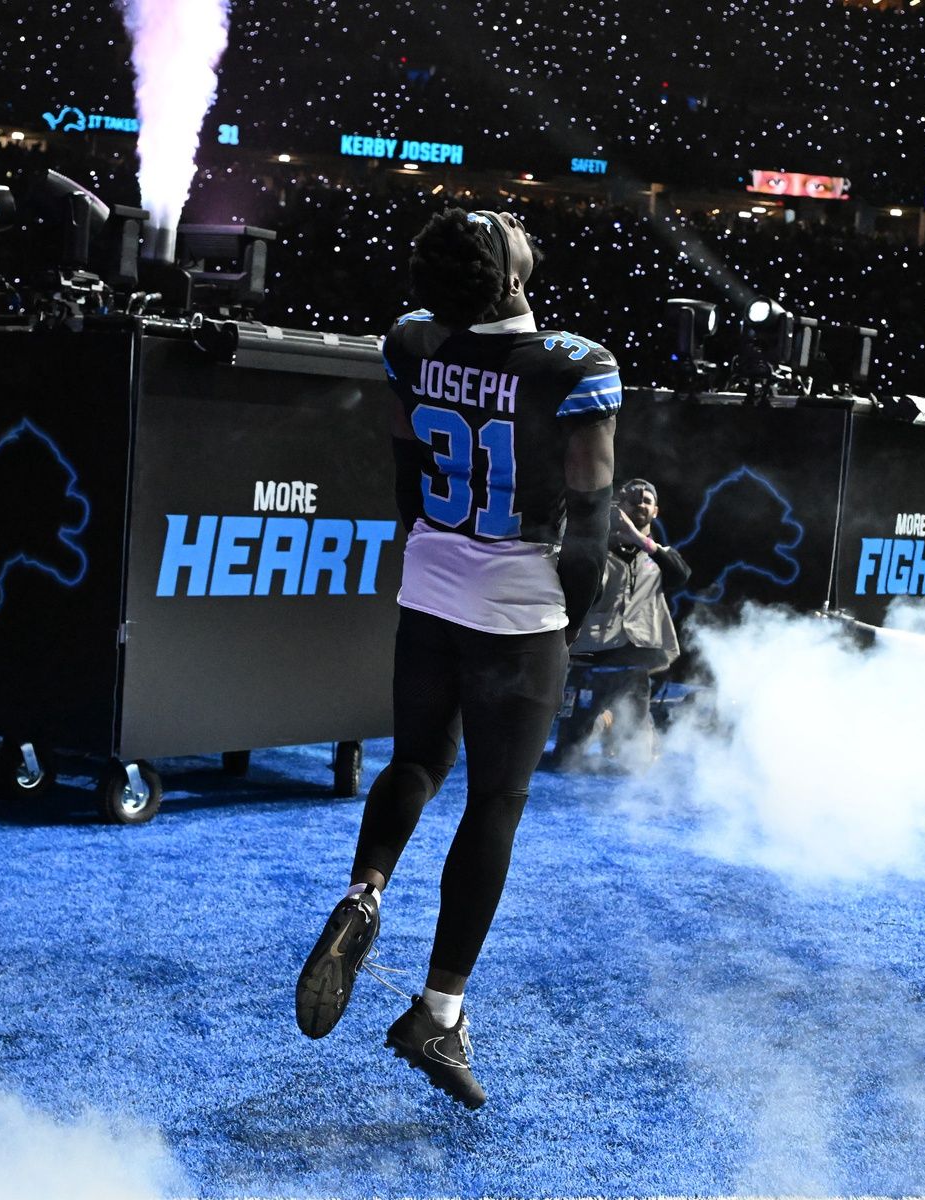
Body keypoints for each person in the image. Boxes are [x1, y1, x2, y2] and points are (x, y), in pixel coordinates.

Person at [294, 207, 619, 1109]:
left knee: (417, 760)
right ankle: (438, 1013)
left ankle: (365, 891)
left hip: (429, 580)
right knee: (496, 803)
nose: (518, 222)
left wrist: (430, 550)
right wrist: (572, 619)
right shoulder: (580, 365)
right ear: (512, 275)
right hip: (519, 606)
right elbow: (589, 525)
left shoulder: (408, 341)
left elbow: (406, 471)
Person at [552, 478, 690, 767]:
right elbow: (584, 587)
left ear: (655, 511)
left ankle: (625, 728)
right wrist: (604, 540)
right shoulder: (596, 550)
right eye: (632, 499)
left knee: (637, 762)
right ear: (618, 507)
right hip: (592, 656)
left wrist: (638, 538)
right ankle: (603, 719)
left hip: (635, 658)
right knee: (566, 759)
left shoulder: (661, 556)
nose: (640, 504)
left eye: (646, 501)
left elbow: (680, 576)